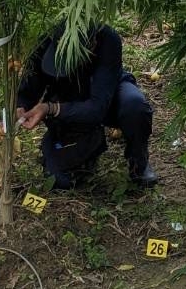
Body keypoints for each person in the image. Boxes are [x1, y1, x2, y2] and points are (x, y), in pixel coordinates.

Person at [16, 22, 158, 189]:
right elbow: (30, 85)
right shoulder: (46, 40)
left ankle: (138, 162)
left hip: (107, 93)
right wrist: (20, 106)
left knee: (134, 106)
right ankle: (86, 151)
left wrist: (50, 108)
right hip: (67, 97)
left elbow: (97, 107)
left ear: (92, 44)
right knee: (60, 180)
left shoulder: (107, 39)